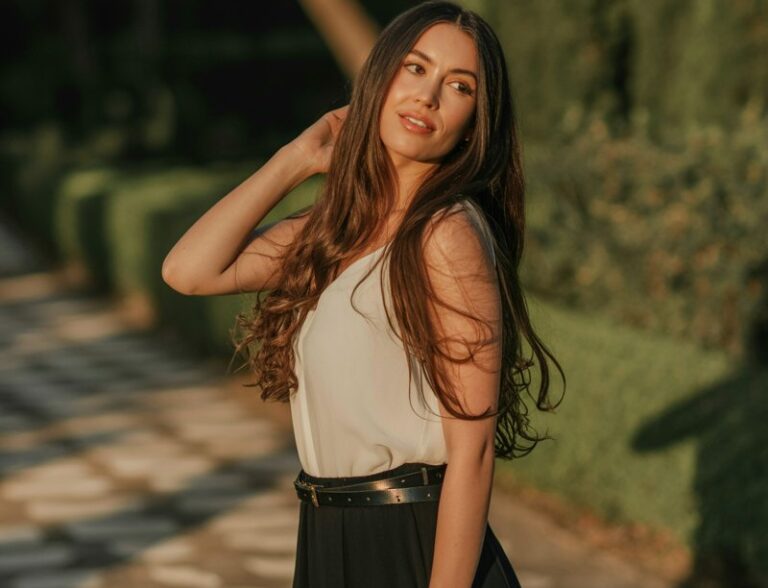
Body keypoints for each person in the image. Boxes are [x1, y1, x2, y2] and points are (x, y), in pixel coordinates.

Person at [162, 1, 565, 586]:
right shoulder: (338, 227)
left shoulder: (445, 234)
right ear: (379, 79)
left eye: (459, 87)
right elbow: (189, 270)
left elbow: (472, 453)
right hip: (327, 536)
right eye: (414, 68)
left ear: (476, 121)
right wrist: (296, 159)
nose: (428, 97)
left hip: (409, 541)